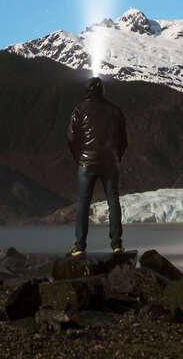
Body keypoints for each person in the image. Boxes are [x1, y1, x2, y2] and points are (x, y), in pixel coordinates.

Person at [66, 76, 128, 256]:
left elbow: (71, 137)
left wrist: (79, 157)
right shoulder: (115, 110)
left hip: (86, 162)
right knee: (113, 200)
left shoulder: (79, 109)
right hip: (110, 162)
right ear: (102, 91)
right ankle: (117, 245)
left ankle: (79, 246)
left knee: (83, 202)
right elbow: (123, 140)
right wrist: (117, 156)